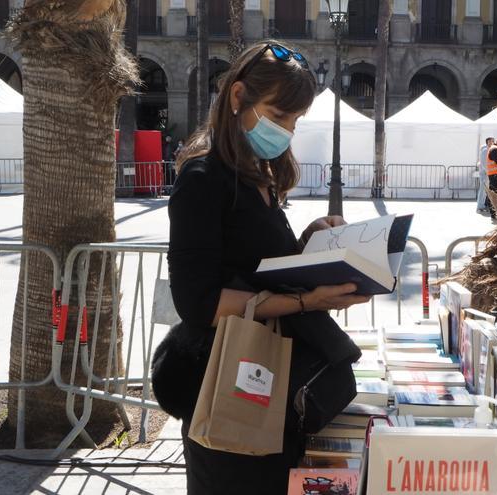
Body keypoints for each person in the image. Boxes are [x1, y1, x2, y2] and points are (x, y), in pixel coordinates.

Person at [156, 41, 370, 494]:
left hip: (270, 382)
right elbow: (200, 302)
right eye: (279, 114)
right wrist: (306, 300)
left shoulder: (257, 173)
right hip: (228, 386)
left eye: (294, 120)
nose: (287, 130)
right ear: (238, 97)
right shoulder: (203, 179)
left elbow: (258, 268)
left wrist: (313, 240)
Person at [486, 138, 497, 220]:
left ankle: (493, 212)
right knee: (495, 194)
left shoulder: (493, 148)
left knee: (494, 193)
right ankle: (493, 213)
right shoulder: (494, 149)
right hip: (495, 175)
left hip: (494, 175)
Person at [477, 137, 494, 213]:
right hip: (485, 174)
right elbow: (484, 163)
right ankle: (480, 206)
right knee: (482, 190)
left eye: (492, 141)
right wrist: (489, 172)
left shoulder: (490, 150)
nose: (492, 143)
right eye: (490, 141)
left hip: (488, 173)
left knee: (485, 191)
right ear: (487, 142)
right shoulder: (484, 151)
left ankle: (483, 205)